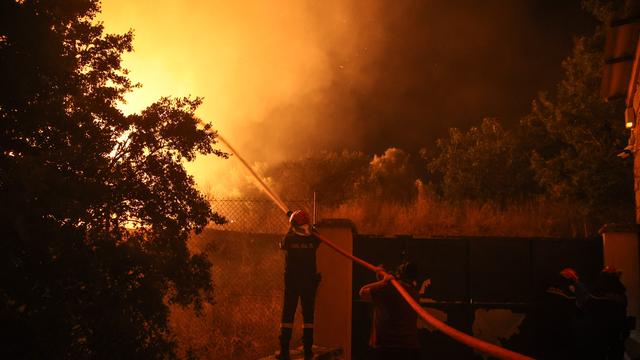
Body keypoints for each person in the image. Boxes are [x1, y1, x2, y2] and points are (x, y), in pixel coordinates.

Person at [277, 209, 321, 360]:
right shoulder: (313, 239)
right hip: (309, 282)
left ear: (293, 224)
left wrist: (291, 226)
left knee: (288, 314)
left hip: (292, 282)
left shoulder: (289, 239)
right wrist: (310, 227)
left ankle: (284, 351)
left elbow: (281, 244)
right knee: (308, 315)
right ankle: (308, 350)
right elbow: (317, 237)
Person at [359, 262, 421, 360]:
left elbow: (363, 292)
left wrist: (383, 282)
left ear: (398, 274)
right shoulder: (414, 293)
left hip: (387, 347)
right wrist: (385, 281)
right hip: (409, 347)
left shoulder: (387, 289)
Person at [582, 266, 628, 360]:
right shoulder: (619, 293)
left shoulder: (596, 292)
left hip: (602, 331)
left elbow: (586, 308)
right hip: (613, 330)